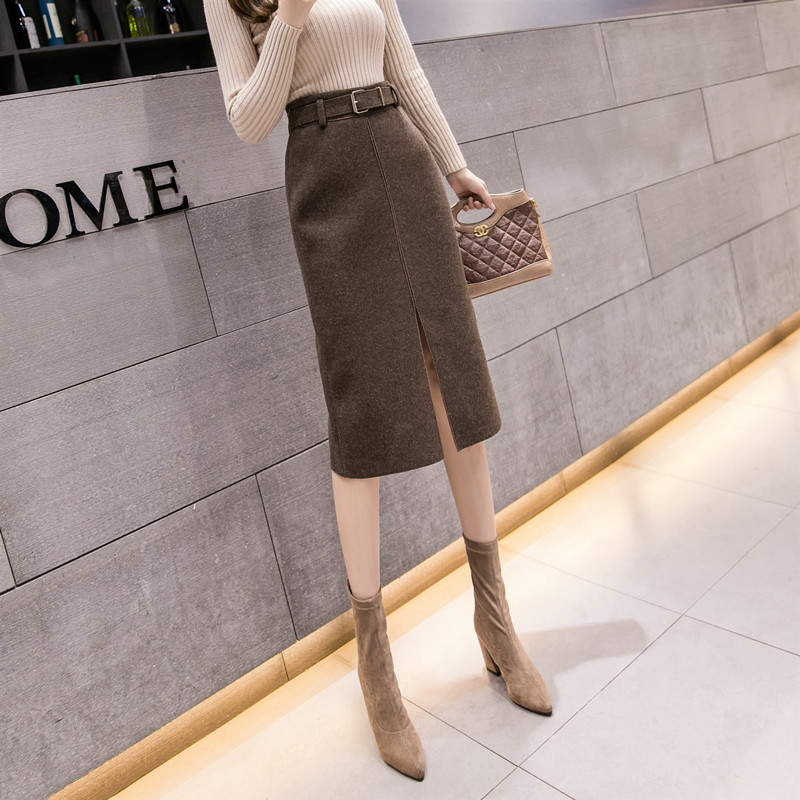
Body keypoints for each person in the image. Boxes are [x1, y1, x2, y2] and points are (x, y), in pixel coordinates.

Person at [203, 0, 553, 781]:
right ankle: (376, 667)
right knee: (359, 406)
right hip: (325, 178)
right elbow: (249, 120)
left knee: (451, 382)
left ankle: (496, 621)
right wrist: (289, 19)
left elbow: (405, 65)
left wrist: (454, 163)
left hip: (402, 157)